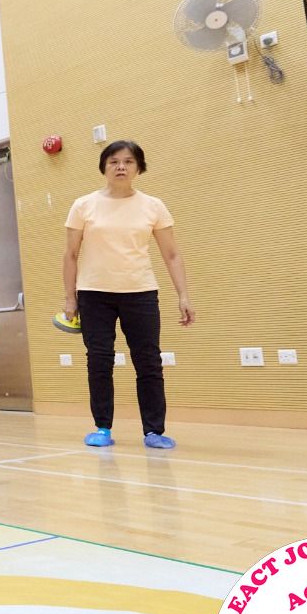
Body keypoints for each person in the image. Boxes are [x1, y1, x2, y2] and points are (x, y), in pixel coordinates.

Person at [61, 139, 194, 450]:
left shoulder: (153, 206)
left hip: (141, 292)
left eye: (128, 161)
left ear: (138, 167)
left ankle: (154, 431)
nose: (121, 167)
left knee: (148, 361)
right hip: (94, 294)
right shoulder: (83, 205)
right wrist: (70, 298)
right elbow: (70, 255)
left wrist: (183, 296)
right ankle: (102, 427)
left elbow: (172, 255)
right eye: (114, 161)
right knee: (99, 360)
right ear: (104, 167)